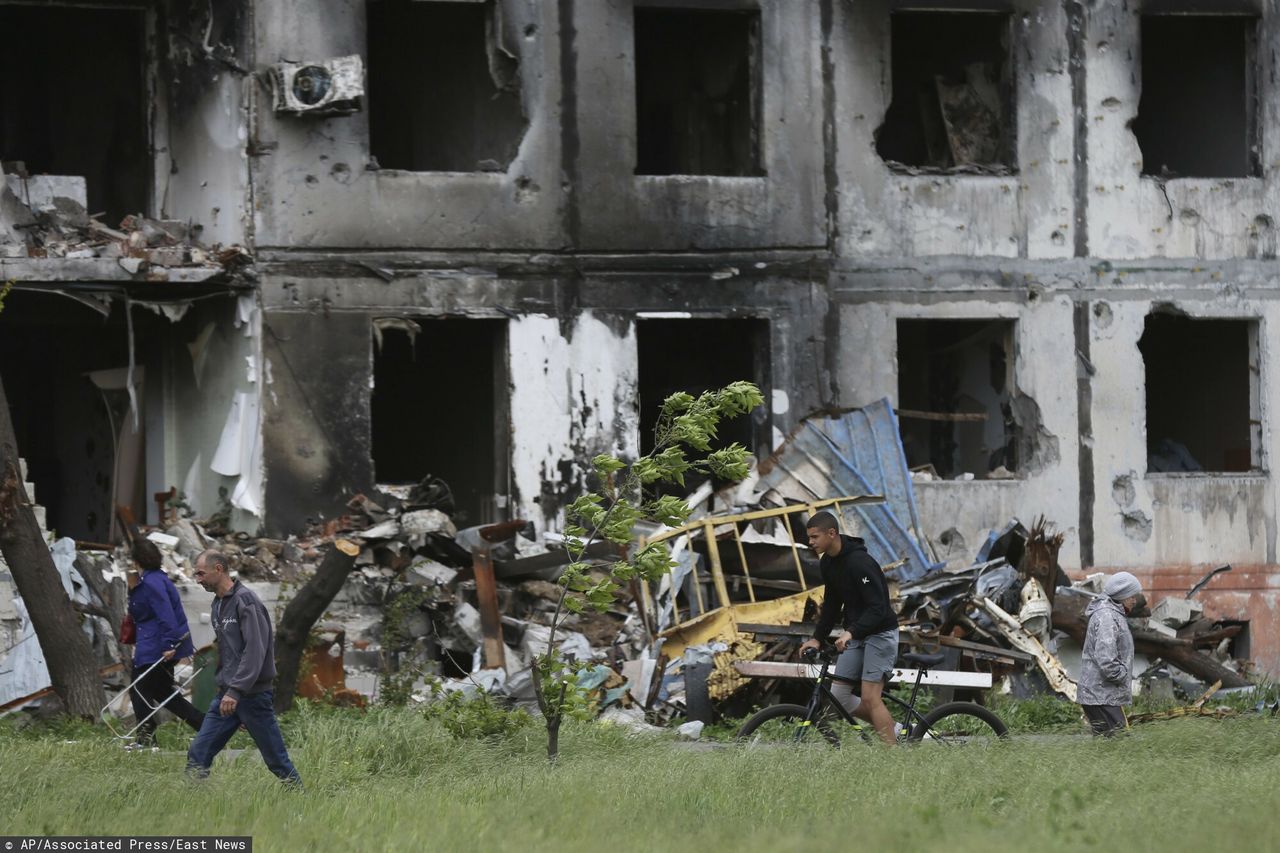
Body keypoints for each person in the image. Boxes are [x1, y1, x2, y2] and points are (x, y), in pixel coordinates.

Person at [186, 549, 301, 786]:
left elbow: (255, 651)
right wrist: (229, 692)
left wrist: (236, 691)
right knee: (198, 752)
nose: (197, 580)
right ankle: (192, 806)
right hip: (226, 697)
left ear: (218, 569)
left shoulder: (246, 602)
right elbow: (228, 653)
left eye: (200, 574)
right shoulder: (218, 604)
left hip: (252, 695)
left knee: (276, 760)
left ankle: (299, 797)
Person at [798, 510, 900, 745]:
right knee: (840, 697)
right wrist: (817, 638)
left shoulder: (860, 563)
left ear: (831, 533)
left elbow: (879, 608)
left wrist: (851, 632)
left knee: (870, 697)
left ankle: (894, 758)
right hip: (856, 635)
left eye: (815, 537)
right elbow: (832, 603)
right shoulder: (828, 563)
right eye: (810, 537)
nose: (810, 542)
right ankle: (893, 729)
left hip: (880, 634)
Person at [125, 538, 204, 746]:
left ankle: (146, 739)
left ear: (137, 560)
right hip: (158, 645)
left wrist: (169, 645)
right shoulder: (155, 579)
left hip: (158, 647)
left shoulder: (151, 583)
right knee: (161, 691)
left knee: (139, 688)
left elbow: (165, 614)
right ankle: (206, 727)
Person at [1078, 571, 1142, 736]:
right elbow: (1106, 659)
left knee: (1106, 748)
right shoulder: (1107, 617)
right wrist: (1122, 675)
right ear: (1121, 595)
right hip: (1101, 695)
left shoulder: (1112, 614)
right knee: (1120, 746)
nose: (1135, 600)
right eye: (1131, 596)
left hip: (1102, 695)